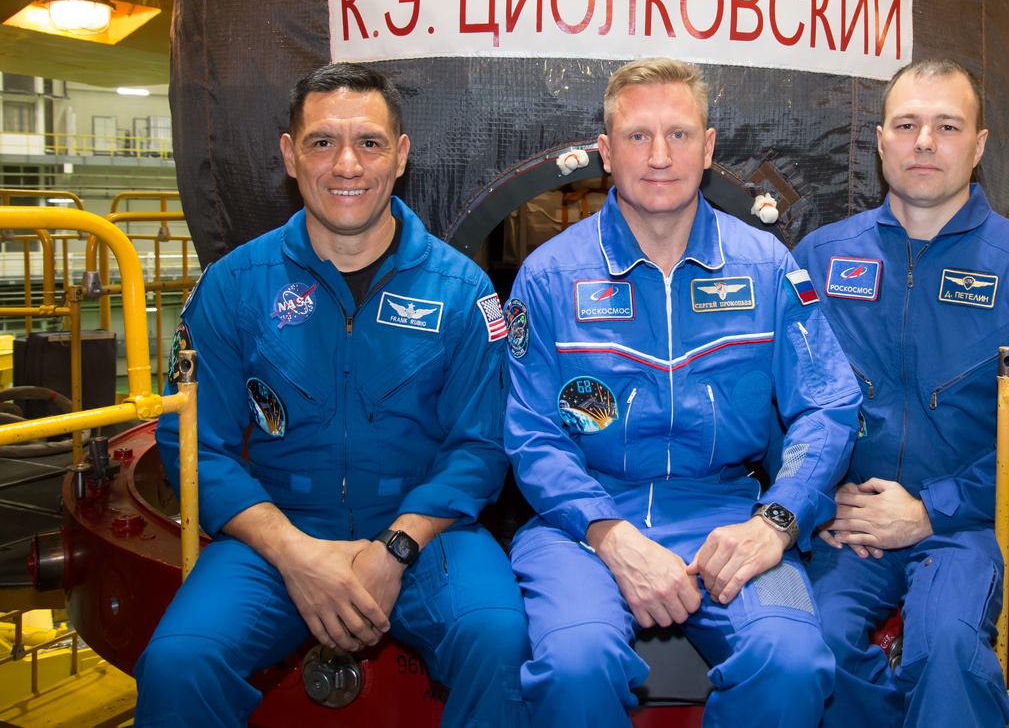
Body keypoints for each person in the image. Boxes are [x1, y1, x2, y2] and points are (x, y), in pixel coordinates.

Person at [134, 62, 530, 727]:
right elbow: (196, 445)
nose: (346, 164)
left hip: (427, 541)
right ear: (290, 155)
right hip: (277, 539)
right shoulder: (235, 286)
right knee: (180, 663)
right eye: (322, 142)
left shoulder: (462, 292)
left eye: (369, 143)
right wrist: (296, 553)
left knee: (498, 640)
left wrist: (396, 547)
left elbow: (480, 445)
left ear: (400, 156)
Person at [502, 57, 862, 727]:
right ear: (606, 152)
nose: (660, 156)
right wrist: (608, 533)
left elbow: (829, 404)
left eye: (679, 134)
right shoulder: (549, 276)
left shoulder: (767, 267)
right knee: (576, 664)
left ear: (709, 146)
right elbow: (532, 433)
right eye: (638, 136)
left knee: (791, 662)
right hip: (581, 521)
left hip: (725, 512)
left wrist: (777, 519)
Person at [793, 59, 1009, 727]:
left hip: (968, 524)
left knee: (949, 648)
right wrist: (810, 499)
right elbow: (778, 398)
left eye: (947, 125)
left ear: (980, 145)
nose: (925, 142)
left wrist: (931, 509)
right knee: (806, 643)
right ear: (881, 142)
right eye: (907, 125)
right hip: (849, 518)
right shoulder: (817, 259)